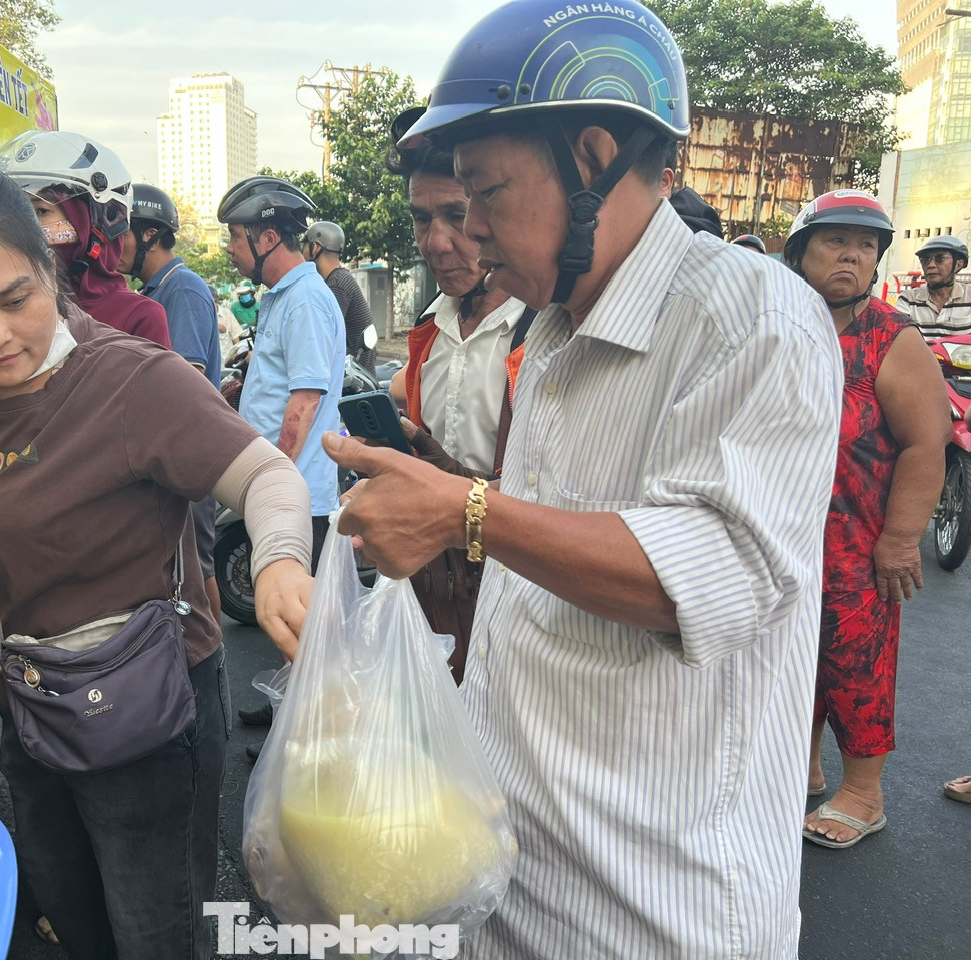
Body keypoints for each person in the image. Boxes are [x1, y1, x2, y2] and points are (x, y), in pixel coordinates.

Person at [327, 2, 843, 955]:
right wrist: (444, 494)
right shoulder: (555, 332)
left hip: (652, 911)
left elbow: (705, 574)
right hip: (516, 877)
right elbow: (540, 560)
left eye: (485, 193)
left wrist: (464, 512)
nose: (470, 233)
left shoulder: (752, 313)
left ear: (594, 155)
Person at [0, 156, 314, 960]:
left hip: (149, 709)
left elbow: (266, 475)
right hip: (33, 698)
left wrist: (280, 558)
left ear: (50, 267)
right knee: (73, 919)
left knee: (158, 934)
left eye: (15, 300)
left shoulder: (131, 381)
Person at [783, 191, 949, 849]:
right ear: (800, 252)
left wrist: (903, 538)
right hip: (787, 537)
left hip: (858, 541)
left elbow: (924, 444)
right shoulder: (784, 321)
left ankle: (864, 792)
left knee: (856, 662)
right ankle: (806, 767)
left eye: (865, 246)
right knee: (792, 660)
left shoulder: (891, 338)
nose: (852, 255)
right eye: (835, 242)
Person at [372, 106, 534, 683]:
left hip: (519, 612)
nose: (436, 242)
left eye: (456, 216)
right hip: (432, 609)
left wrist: (448, 490)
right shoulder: (428, 328)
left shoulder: (543, 334)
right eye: (421, 218)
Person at [219, 176, 344, 758]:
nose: (230, 248)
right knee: (283, 607)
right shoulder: (280, 298)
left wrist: (271, 475)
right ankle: (282, 706)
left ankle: (307, 743)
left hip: (298, 492)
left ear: (269, 236)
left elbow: (305, 399)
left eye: (237, 238)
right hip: (280, 486)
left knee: (303, 619)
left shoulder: (307, 301)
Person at [124, 183, 225, 623]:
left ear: (149, 235)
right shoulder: (154, 290)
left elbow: (186, 378)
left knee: (198, 572)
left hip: (188, 455)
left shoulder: (180, 289)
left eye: (123, 231)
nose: (115, 243)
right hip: (169, 457)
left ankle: (213, 666)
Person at [0, 130, 171, 348]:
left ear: (95, 224)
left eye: (41, 211)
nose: (25, 226)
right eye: (16, 212)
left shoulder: (139, 316)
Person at [302, 221, 377, 369]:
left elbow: (323, 335)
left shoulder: (337, 283)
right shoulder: (339, 279)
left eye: (304, 245)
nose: (302, 252)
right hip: (351, 370)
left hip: (354, 377)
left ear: (314, 247)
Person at [896, 236, 971, 342]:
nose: (930, 265)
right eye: (925, 260)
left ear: (958, 264)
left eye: (940, 258)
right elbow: (898, 340)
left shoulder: (969, 296)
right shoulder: (908, 299)